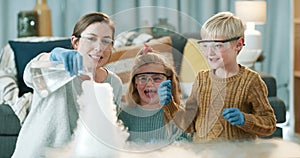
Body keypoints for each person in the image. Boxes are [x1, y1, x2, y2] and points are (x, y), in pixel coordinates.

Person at [12, 12, 122, 157]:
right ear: (76, 43)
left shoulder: (114, 83)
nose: (99, 47)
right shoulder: (57, 69)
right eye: (91, 39)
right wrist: (53, 56)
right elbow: (30, 75)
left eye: (106, 41)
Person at [159, 12, 277, 142]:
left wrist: (245, 120)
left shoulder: (251, 81)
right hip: (203, 153)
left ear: (238, 44)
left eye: (217, 45)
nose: (209, 52)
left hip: (239, 153)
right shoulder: (201, 79)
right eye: (205, 45)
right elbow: (188, 125)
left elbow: (269, 124)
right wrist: (169, 104)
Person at [117, 43, 191, 144]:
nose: (149, 84)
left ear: (168, 81)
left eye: (156, 78)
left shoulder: (180, 113)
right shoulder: (124, 116)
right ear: (135, 83)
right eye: (143, 78)